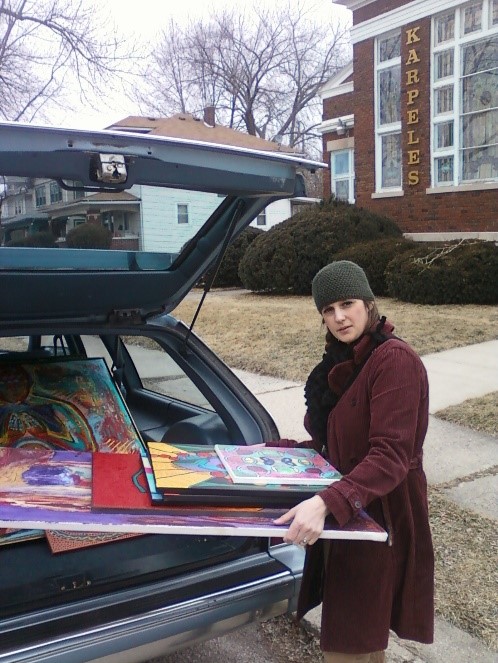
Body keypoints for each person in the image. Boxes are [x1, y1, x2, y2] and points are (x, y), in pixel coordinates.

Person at [272, 260, 434, 663]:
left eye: (347, 304)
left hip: (381, 514)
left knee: (351, 640)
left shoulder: (394, 361)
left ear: (368, 303)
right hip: (349, 510)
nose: (339, 317)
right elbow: (335, 445)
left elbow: (391, 455)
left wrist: (326, 501)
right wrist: (275, 453)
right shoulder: (341, 362)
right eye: (328, 310)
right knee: (356, 637)